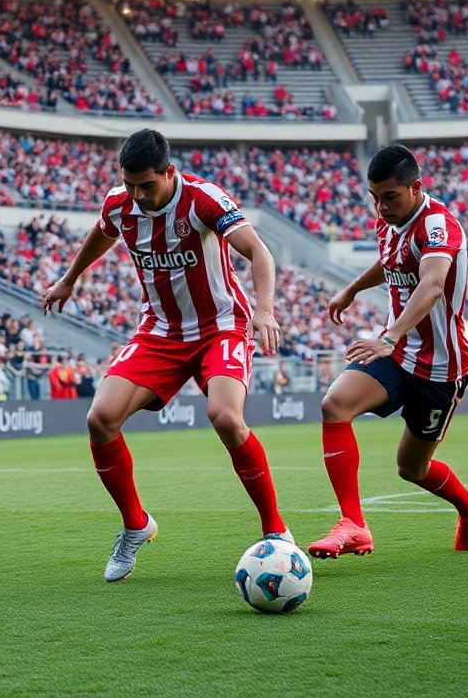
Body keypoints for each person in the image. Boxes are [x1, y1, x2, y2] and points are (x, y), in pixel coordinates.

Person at [41, 128, 291, 583]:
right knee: (100, 418)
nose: (137, 195)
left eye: (147, 186)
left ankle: (276, 530)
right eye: (130, 184)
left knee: (226, 418)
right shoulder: (120, 204)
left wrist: (266, 310)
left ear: (169, 173)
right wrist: (70, 278)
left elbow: (258, 251)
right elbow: (102, 235)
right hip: (159, 331)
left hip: (221, 325)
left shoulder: (202, 198)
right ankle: (136, 525)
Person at [306, 144, 468, 560]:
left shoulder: (439, 226)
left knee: (411, 469)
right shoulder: (387, 223)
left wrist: (388, 337)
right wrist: (352, 289)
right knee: (334, 406)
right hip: (397, 352)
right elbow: (390, 263)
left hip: (441, 368)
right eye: (374, 196)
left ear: (415, 187)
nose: (380, 206)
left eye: (389, 196)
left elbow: (431, 284)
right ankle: (354, 525)